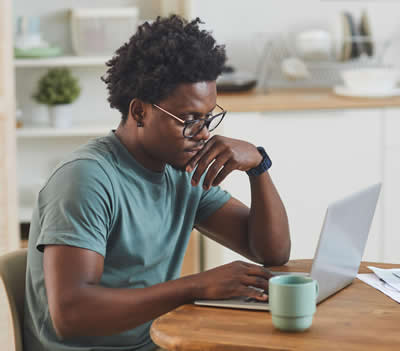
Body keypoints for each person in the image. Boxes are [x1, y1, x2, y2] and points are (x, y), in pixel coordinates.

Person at [24, 15, 290, 351]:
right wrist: (196, 286)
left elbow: (271, 252)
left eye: (208, 118)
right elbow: (71, 315)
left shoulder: (181, 171)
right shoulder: (87, 179)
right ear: (139, 113)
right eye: (190, 120)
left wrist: (258, 167)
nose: (204, 133)